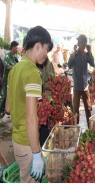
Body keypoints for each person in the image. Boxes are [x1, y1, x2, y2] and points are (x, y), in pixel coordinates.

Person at [5, 25, 52, 183]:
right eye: (46, 49)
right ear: (38, 45)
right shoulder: (32, 73)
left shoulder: (15, 70)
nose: (46, 54)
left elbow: (8, 108)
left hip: (17, 140)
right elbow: (31, 119)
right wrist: (37, 154)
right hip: (28, 143)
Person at [68, 34, 95, 126]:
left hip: (85, 86)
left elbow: (92, 64)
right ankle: (76, 128)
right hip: (76, 85)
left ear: (84, 45)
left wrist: (90, 51)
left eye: (81, 43)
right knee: (75, 109)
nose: (80, 45)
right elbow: (69, 65)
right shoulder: (74, 55)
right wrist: (73, 53)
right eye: (79, 43)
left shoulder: (87, 55)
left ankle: (90, 127)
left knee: (88, 108)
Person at [0, 41, 19, 119]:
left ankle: (6, 110)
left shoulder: (16, 57)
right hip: (6, 80)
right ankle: (1, 110)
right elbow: (6, 66)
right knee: (4, 96)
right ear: (13, 47)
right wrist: (15, 67)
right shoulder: (7, 56)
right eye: (17, 48)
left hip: (14, 80)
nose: (18, 49)